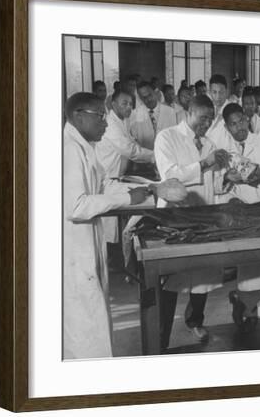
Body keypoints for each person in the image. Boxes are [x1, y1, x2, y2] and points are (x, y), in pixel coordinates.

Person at [63, 92, 150, 359]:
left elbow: (102, 185)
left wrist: (144, 189)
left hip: (88, 247)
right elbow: (76, 206)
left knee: (93, 323)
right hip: (75, 254)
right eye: (99, 117)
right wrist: (126, 197)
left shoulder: (83, 146)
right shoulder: (68, 149)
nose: (105, 123)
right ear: (78, 116)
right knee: (84, 329)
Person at [154, 95, 230, 349]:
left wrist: (229, 175)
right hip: (175, 217)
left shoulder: (209, 143)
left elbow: (214, 183)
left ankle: (195, 320)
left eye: (210, 119)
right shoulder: (167, 137)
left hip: (203, 216)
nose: (206, 124)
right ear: (189, 113)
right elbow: (170, 177)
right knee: (169, 278)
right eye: (202, 118)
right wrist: (204, 163)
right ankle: (161, 335)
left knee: (203, 273)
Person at [209, 103, 260, 332]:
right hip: (239, 212)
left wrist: (259, 177)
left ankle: (243, 302)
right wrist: (228, 179)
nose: (240, 127)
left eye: (242, 120)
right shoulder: (219, 149)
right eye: (234, 124)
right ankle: (248, 306)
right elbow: (212, 185)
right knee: (247, 264)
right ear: (226, 126)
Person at [95, 89, 156, 242]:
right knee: (108, 230)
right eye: (124, 103)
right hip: (107, 177)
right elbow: (129, 149)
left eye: (131, 104)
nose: (129, 107)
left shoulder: (123, 120)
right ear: (113, 104)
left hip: (117, 176)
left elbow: (132, 142)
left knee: (117, 226)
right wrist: (154, 156)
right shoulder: (110, 124)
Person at [130, 80, 177, 150]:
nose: (148, 99)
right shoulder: (134, 114)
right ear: (140, 98)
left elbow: (173, 136)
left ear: (155, 92)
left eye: (150, 95)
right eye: (144, 97)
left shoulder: (170, 112)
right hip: (145, 157)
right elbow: (134, 139)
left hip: (165, 155)